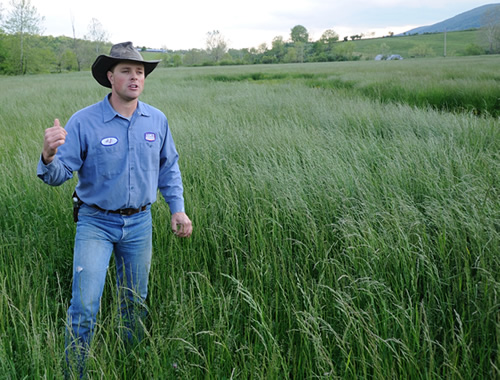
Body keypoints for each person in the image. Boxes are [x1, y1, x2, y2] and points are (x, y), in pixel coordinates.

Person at [37, 41, 192, 375]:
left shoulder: (157, 120)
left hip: (140, 224)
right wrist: (48, 156)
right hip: (95, 223)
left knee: (134, 302)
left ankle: (131, 364)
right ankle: (74, 371)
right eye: (126, 71)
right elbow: (58, 175)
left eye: (140, 72)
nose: (135, 77)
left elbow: (169, 167)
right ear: (110, 77)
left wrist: (177, 208)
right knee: (85, 305)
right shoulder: (84, 122)